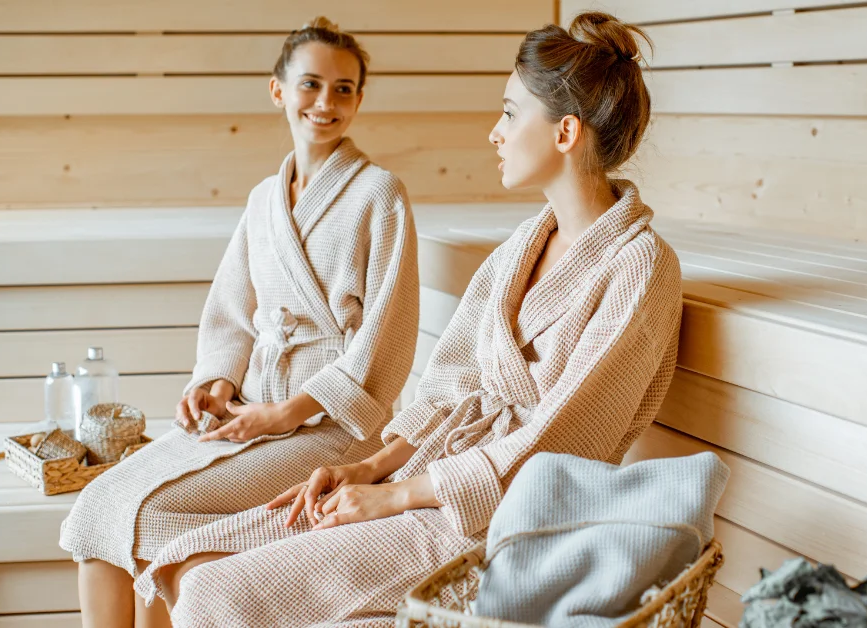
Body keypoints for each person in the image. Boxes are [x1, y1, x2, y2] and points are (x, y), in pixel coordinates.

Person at [134, 12, 683, 627]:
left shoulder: (641, 269)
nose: (494, 132)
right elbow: (447, 385)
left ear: (565, 133)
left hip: (506, 517)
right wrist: (360, 469)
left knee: (216, 593)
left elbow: (556, 447)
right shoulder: (519, 250)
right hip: (431, 475)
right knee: (183, 558)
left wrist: (392, 496)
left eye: (509, 112)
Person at [58, 17, 420, 628]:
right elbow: (230, 311)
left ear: (358, 98)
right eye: (310, 85)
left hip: (333, 428)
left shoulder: (380, 194)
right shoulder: (263, 200)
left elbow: (386, 343)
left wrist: (287, 412)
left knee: (146, 512)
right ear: (278, 90)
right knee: (99, 503)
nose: (326, 103)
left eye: (344, 89)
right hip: (250, 413)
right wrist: (217, 383)